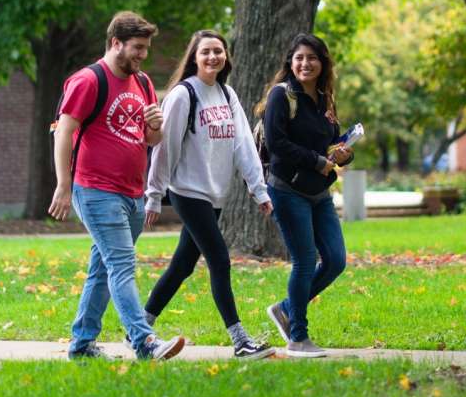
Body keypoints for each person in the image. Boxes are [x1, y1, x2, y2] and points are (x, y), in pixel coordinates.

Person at [48, 11, 187, 361]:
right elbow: (64, 131)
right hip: (95, 189)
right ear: (116, 43)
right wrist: (64, 185)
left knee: (103, 268)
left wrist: (156, 125)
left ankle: (81, 345)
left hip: (131, 193)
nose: (142, 55)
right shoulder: (88, 80)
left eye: (146, 49)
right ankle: (144, 341)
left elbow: (151, 139)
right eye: (137, 48)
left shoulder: (142, 84)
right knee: (123, 265)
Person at [141, 30, 276, 360]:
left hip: (216, 194)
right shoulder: (183, 95)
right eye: (206, 52)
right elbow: (165, 149)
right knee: (220, 258)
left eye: (219, 51)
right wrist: (154, 194)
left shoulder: (227, 95)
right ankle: (240, 340)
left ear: (226, 56)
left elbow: (244, 144)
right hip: (188, 191)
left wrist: (259, 190)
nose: (213, 57)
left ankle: (139, 329)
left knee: (182, 265)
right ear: (194, 57)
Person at [259, 33, 352, 358]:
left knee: (336, 260)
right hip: (288, 190)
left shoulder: (325, 98)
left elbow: (330, 140)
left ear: (322, 63)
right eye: (299, 58)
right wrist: (319, 161)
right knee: (304, 261)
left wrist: (343, 154)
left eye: (312, 58)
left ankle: (286, 308)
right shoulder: (281, 96)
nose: (305, 63)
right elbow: (276, 142)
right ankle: (297, 337)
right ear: (291, 62)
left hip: (319, 192)